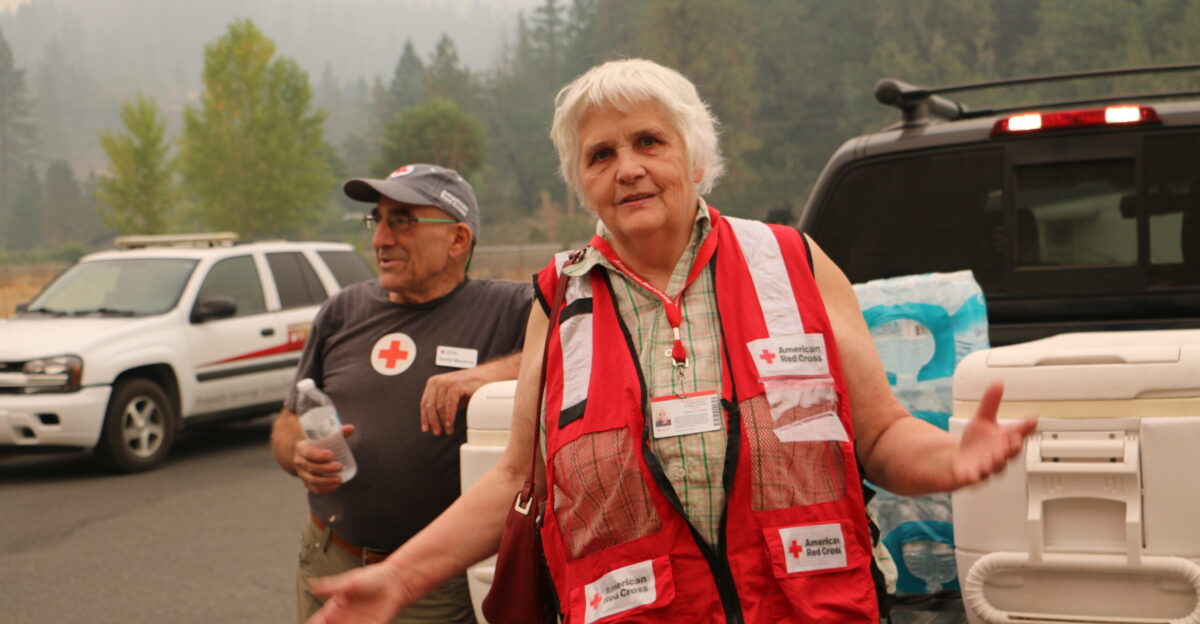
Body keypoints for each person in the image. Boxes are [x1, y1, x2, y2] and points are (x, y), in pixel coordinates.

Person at [304, 60, 1037, 623]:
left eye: (648, 141)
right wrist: (401, 577)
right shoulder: (560, 300)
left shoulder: (792, 262)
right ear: (581, 183)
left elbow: (878, 435)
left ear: (694, 157)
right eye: (600, 155)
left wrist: (949, 459)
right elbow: (514, 483)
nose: (627, 167)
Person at [270, 163, 533, 624]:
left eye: (403, 220)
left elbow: (581, 340)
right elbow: (289, 417)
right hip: (331, 560)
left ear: (458, 240)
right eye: (378, 220)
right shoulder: (343, 310)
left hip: (434, 579)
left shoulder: (508, 308)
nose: (380, 239)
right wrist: (297, 452)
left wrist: (484, 376)